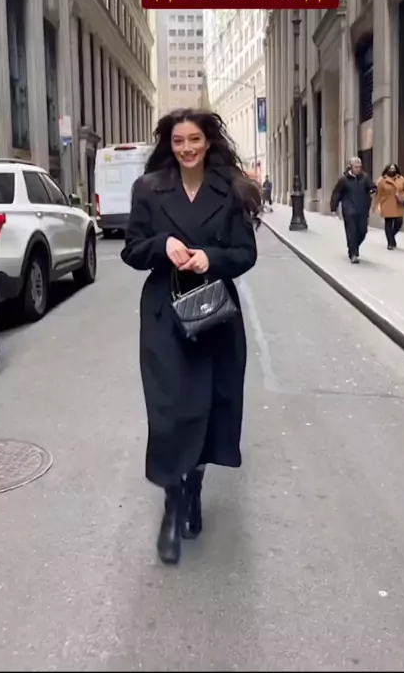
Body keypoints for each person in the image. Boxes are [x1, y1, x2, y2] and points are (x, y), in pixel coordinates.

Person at [121, 108, 260, 566]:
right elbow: (132, 250)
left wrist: (210, 259)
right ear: (170, 144)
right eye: (179, 141)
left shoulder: (231, 188)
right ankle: (172, 502)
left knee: (207, 409)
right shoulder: (148, 188)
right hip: (164, 314)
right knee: (168, 413)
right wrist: (161, 245)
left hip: (214, 314)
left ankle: (193, 487)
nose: (187, 149)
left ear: (208, 141)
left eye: (194, 140)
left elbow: (245, 253)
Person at [330, 157, 376, 263]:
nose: (358, 169)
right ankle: (353, 254)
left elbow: (372, 187)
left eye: (360, 167)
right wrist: (333, 208)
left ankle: (353, 247)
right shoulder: (344, 180)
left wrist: (373, 191)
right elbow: (336, 193)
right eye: (356, 167)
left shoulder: (365, 178)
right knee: (352, 232)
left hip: (362, 210)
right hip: (349, 210)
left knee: (363, 231)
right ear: (351, 167)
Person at [373, 164, 404, 250]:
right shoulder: (382, 180)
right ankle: (390, 243)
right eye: (390, 168)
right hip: (387, 204)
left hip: (398, 204)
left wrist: (402, 196)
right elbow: (378, 194)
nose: (392, 170)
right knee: (388, 223)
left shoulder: (401, 179)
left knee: (399, 222)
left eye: (394, 168)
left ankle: (391, 237)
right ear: (387, 170)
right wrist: (375, 205)